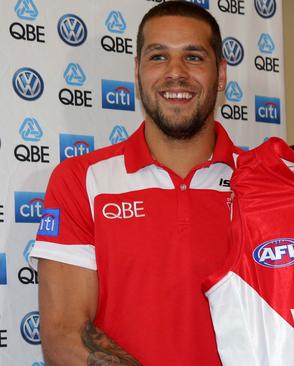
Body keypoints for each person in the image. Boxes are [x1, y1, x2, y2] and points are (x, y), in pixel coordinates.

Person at [29, 2, 234, 365]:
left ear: (220, 74)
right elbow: (64, 334)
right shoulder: (81, 179)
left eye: (193, 57)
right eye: (158, 57)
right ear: (137, 73)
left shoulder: (263, 182)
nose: (175, 73)